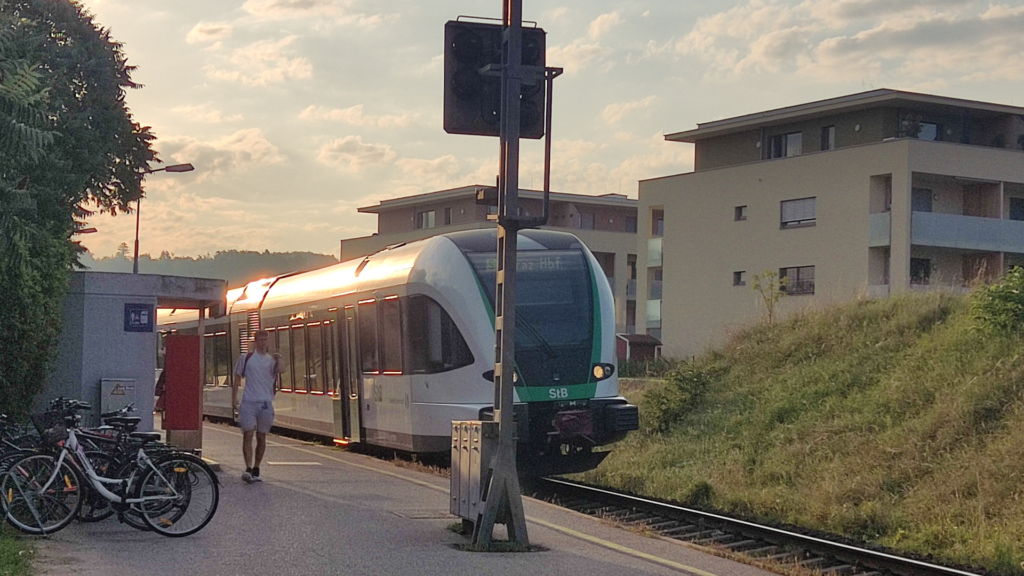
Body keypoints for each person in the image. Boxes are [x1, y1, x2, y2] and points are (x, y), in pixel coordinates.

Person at [233, 330, 283, 483]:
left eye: (265, 340)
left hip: (265, 403)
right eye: (260, 340)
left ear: (268, 342)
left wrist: (280, 359)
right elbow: (237, 377)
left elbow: (281, 371)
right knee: (248, 434)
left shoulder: (271, 360)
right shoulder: (246, 358)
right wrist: (234, 397)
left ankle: (256, 468)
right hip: (248, 401)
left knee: (261, 436)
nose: (262, 343)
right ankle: (248, 468)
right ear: (255, 342)